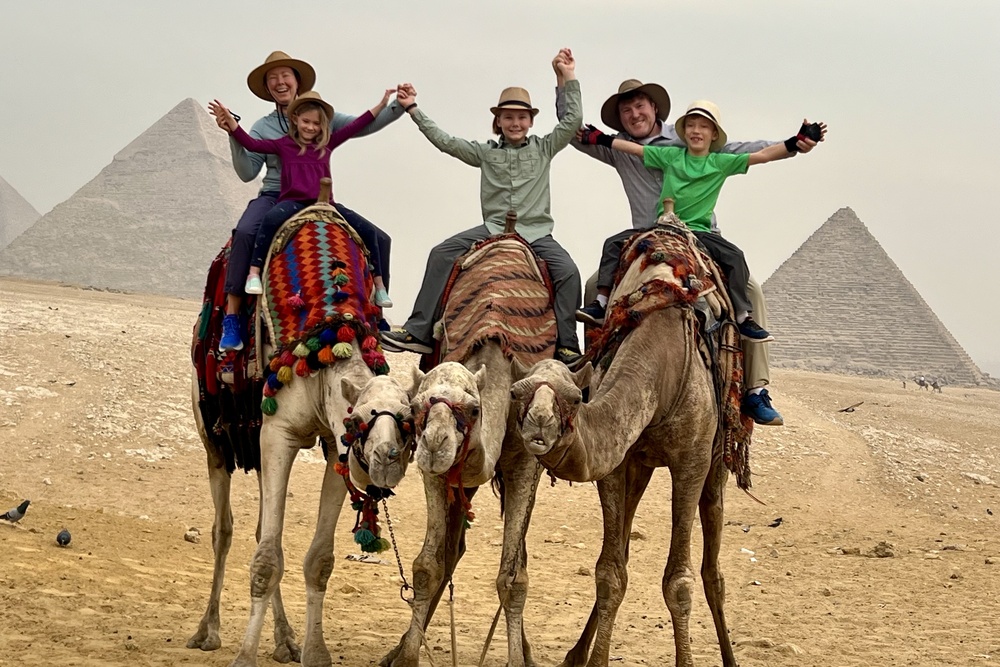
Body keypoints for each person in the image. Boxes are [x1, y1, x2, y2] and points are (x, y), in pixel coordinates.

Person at [558, 76, 821, 426]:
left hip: (699, 236)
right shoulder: (616, 148)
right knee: (595, 286)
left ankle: (755, 389)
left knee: (751, 290)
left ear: (655, 108)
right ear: (619, 120)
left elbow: (747, 151)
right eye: (626, 111)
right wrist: (566, 81)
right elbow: (570, 130)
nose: (634, 114)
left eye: (640, 106)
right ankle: (596, 376)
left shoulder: (689, 138)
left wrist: (793, 144)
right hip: (644, 235)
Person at [381, 49, 585, 366]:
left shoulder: (545, 148)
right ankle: (418, 331)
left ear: (531, 121)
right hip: (492, 231)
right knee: (441, 253)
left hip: (537, 234)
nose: (515, 123)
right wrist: (413, 110)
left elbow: (573, 120)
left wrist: (567, 76)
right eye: (508, 117)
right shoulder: (485, 153)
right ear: (498, 121)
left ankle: (568, 346)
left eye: (521, 117)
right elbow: (445, 141)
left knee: (569, 272)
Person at [216, 51, 404, 352]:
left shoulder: (321, 116)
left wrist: (397, 106)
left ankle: (376, 314)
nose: (279, 82)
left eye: (284, 75)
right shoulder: (264, 128)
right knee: (246, 233)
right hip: (276, 195)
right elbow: (247, 170)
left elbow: (361, 124)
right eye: (272, 78)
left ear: (296, 80)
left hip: (319, 198)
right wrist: (232, 133)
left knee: (379, 238)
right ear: (267, 87)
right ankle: (233, 316)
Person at [210, 89, 392, 308]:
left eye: (316, 124)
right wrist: (232, 124)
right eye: (306, 121)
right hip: (292, 202)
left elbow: (357, 124)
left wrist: (382, 105)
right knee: (268, 221)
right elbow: (251, 144)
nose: (310, 127)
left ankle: (380, 289)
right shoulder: (282, 144)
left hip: (326, 204)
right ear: (295, 119)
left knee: (371, 233)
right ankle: (254, 273)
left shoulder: (327, 144)